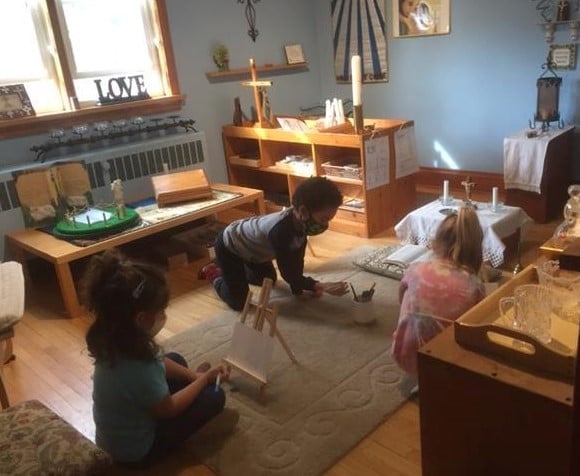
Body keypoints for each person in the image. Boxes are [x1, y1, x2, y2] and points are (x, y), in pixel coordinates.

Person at [81, 249, 231, 466]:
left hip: (116, 434)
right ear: (141, 319)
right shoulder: (138, 365)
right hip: (137, 453)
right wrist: (203, 380)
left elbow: (159, 362)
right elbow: (168, 410)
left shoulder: (117, 340)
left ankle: (192, 380)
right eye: (160, 311)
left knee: (175, 359)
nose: (164, 315)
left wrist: (192, 376)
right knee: (214, 396)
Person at [199, 176, 349, 311]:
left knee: (268, 279)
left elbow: (297, 259)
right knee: (239, 302)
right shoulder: (281, 232)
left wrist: (298, 289)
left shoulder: (300, 222)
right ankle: (214, 272)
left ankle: (233, 269)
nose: (326, 225)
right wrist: (318, 285)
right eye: (324, 219)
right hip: (230, 246)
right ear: (303, 211)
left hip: (254, 251)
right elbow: (288, 272)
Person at [392, 207, 486, 376]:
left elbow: (401, 299)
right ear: (475, 249)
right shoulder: (474, 286)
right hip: (446, 362)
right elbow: (476, 329)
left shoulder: (415, 269)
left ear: (436, 242)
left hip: (404, 352)